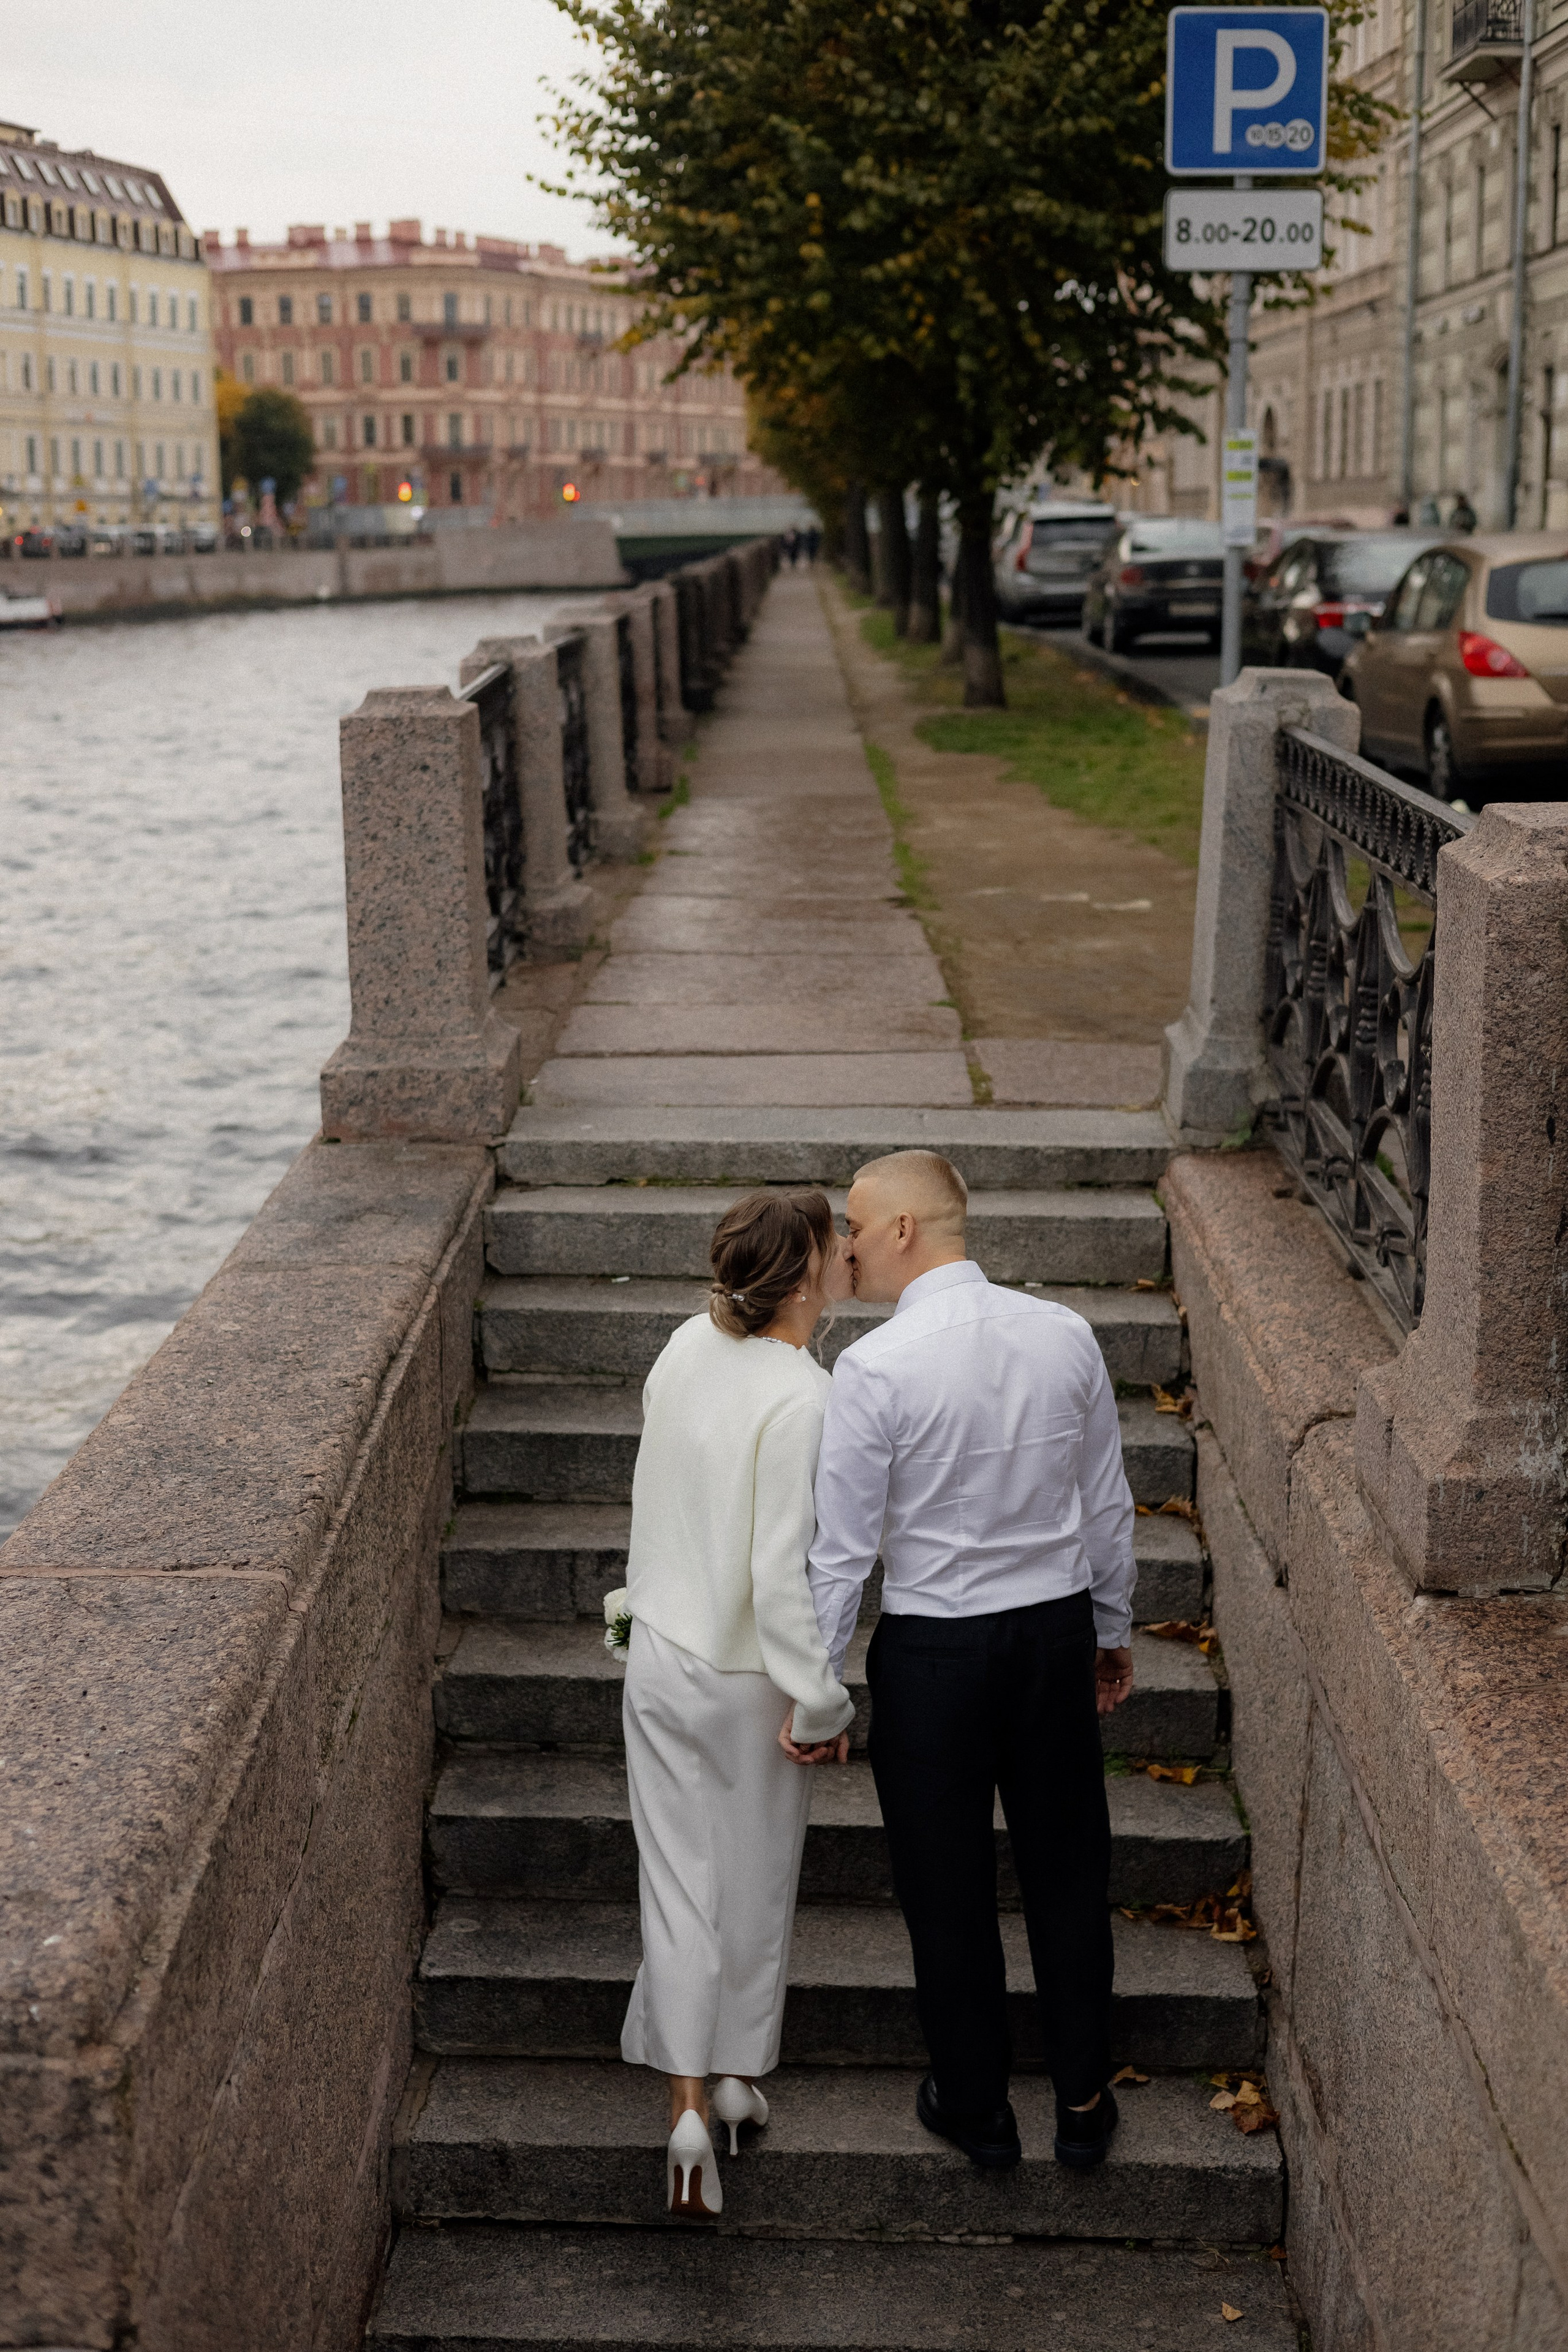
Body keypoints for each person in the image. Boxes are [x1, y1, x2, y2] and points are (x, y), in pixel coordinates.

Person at [808, 1150, 1136, 2174]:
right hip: (1052, 1635)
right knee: (1068, 1871)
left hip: (935, 1655)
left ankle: (979, 2106)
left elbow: (841, 1553)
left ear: (904, 1229)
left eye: (857, 1225)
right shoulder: (1064, 1333)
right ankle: (1083, 2102)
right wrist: (1112, 1630)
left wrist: (818, 1688)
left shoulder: (875, 1368)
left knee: (944, 1887)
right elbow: (1106, 1505)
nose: (848, 1246)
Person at [619, 1189, 856, 2219]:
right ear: (802, 1280)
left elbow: (656, 1493)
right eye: (837, 1245)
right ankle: (735, 2078)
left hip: (659, 1653)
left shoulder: (683, 1345)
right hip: (745, 1678)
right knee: (754, 1889)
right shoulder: (805, 1398)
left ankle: (688, 2107)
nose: (850, 1255)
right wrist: (822, 1702)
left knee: (678, 1885)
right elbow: (778, 1576)